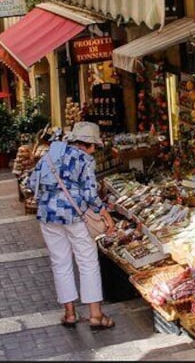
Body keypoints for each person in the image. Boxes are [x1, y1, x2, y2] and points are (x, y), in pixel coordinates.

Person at [26, 122, 116, 330]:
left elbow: (32, 183)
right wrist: (104, 214)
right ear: (86, 144)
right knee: (87, 262)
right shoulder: (84, 160)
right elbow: (90, 195)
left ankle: (69, 313)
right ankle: (95, 315)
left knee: (60, 263)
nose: (95, 151)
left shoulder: (50, 155)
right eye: (94, 146)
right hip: (74, 216)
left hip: (48, 215)